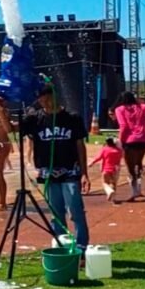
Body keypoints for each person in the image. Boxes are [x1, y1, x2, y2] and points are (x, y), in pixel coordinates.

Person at [23, 84, 90, 252]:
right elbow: (11, 129)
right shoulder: (35, 118)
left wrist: (84, 173)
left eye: (46, 97)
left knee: (75, 211)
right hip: (48, 172)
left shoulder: (72, 117)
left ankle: (81, 247)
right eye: (40, 98)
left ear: (54, 96)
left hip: (70, 171)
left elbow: (80, 145)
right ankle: (61, 246)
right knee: (56, 214)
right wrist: (1, 109)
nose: (43, 102)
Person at [88, 137, 122, 203]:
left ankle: (109, 191)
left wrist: (91, 163)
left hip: (106, 169)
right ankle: (113, 198)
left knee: (105, 183)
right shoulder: (119, 151)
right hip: (115, 169)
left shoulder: (105, 149)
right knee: (114, 183)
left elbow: (98, 158)